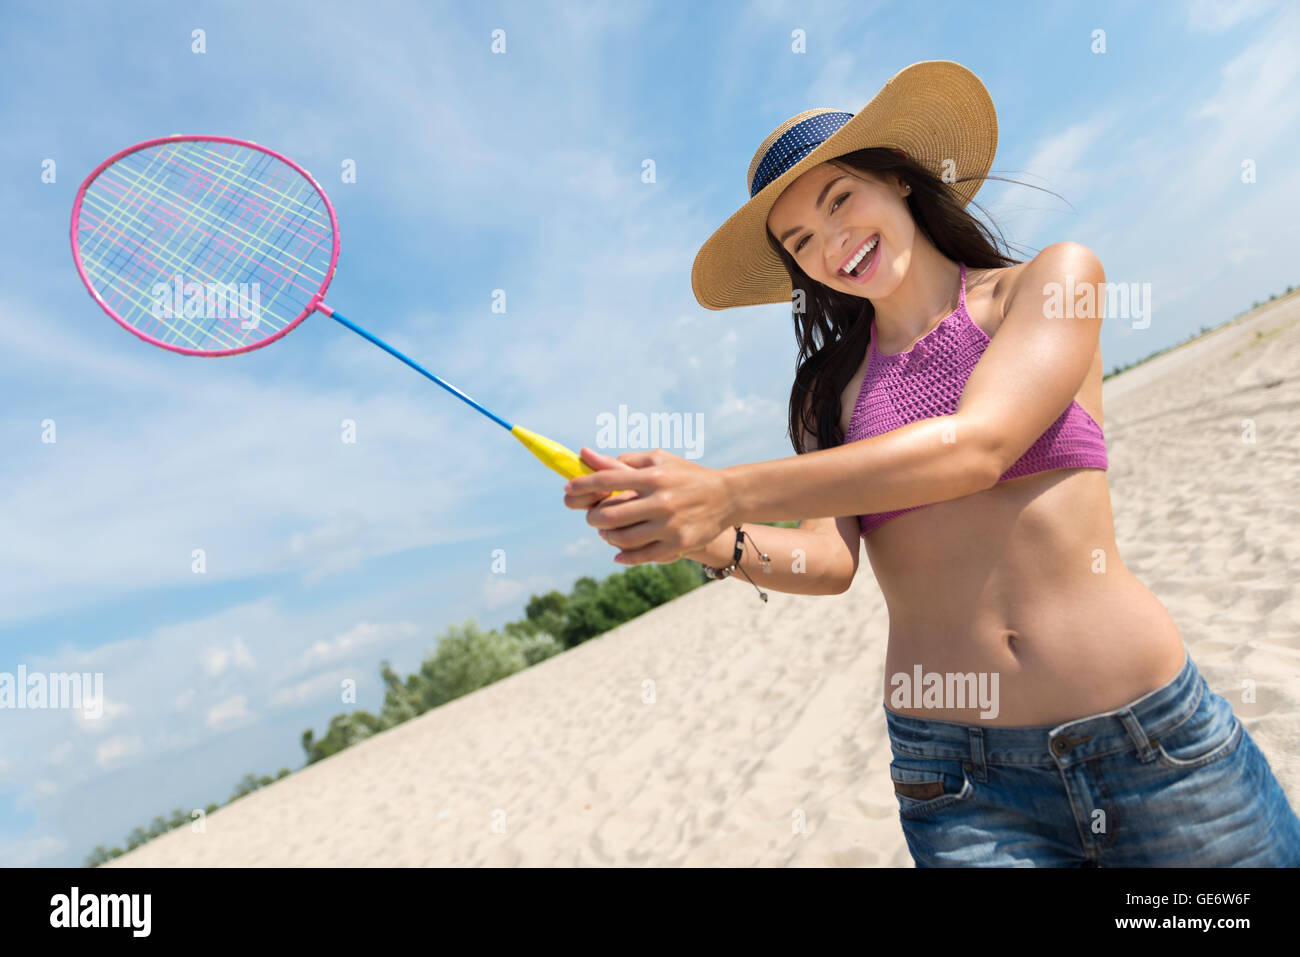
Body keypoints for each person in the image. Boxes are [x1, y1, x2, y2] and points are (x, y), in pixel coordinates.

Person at [561, 60, 1300, 866]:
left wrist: (728, 488)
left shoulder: (1052, 283)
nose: (831, 241)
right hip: (958, 782)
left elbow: (978, 445)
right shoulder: (827, 393)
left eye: (840, 199)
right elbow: (827, 559)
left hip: (1148, 739)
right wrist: (708, 535)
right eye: (800, 241)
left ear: (900, 182)